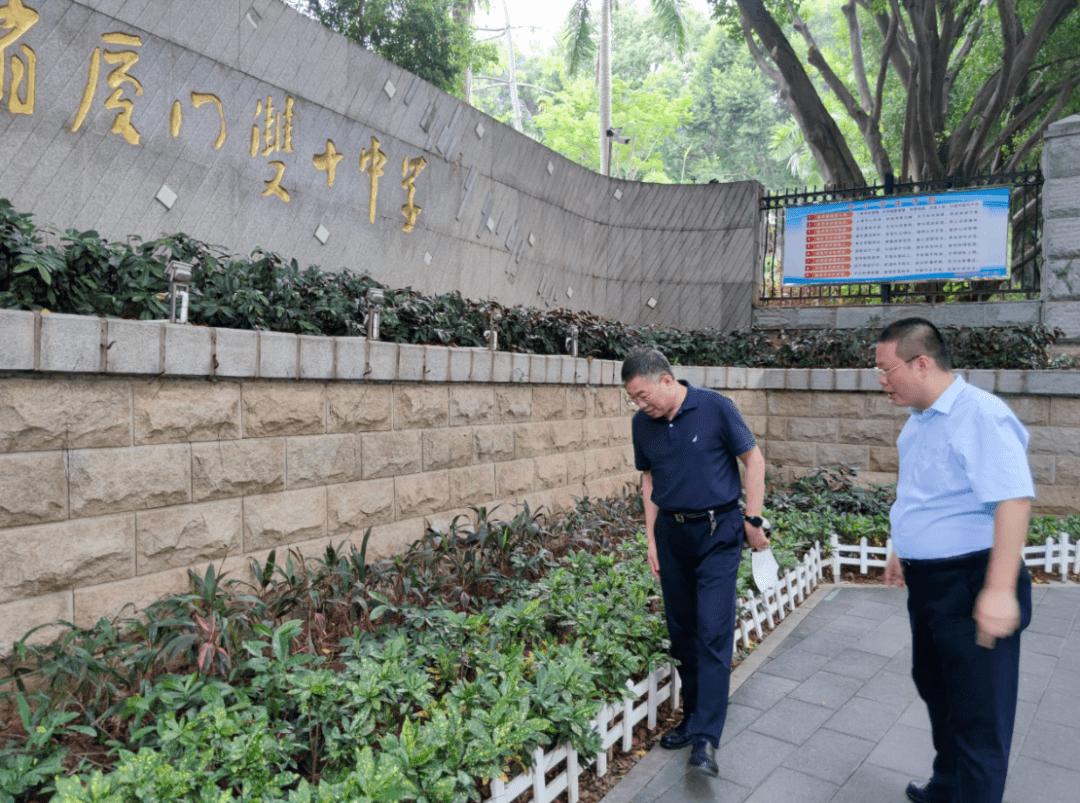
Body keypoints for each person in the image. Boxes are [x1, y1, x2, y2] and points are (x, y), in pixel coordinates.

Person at [877, 318, 1034, 803]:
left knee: (978, 716)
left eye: (886, 369)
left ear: (921, 362)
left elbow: (1013, 499)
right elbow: (923, 494)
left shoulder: (979, 415)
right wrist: (901, 547)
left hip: (970, 580)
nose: (881, 379)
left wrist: (999, 589)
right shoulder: (920, 421)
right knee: (938, 691)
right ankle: (948, 788)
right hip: (931, 584)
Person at [621, 347, 769, 777]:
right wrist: (651, 538)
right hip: (672, 534)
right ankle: (691, 717)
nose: (639, 404)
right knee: (682, 632)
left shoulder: (715, 407)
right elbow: (648, 479)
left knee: (712, 629)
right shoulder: (641, 426)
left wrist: (753, 517)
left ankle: (706, 737)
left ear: (667, 381)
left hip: (718, 532)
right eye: (633, 399)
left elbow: (753, 459)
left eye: (643, 395)